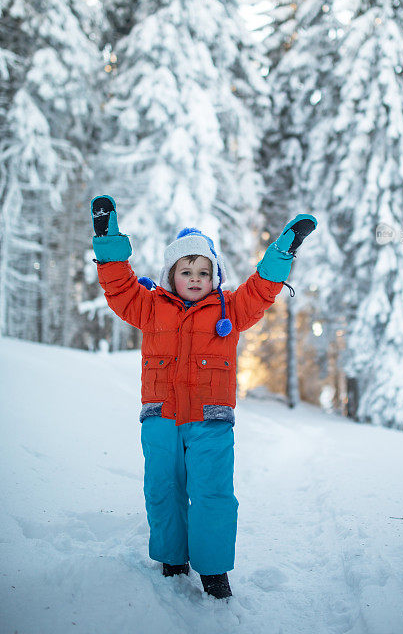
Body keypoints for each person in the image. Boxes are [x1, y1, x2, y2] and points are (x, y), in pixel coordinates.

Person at [90, 196, 316, 600]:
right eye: (186, 271)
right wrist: (108, 241)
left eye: (204, 271)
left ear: (216, 276)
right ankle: (172, 557)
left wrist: (283, 252)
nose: (195, 278)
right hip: (160, 417)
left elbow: (262, 290)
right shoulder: (150, 307)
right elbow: (119, 289)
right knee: (163, 488)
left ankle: (213, 570)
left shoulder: (230, 308)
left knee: (213, 493)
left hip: (211, 420)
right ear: (170, 275)